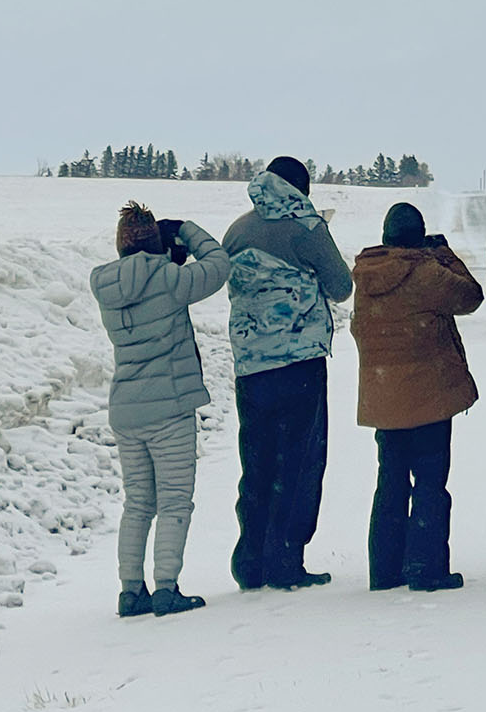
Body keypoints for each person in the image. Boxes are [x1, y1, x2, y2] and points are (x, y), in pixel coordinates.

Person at [90, 202, 232, 618]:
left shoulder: (105, 284)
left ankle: (131, 592)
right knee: (174, 501)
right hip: (168, 407)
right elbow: (219, 264)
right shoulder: (170, 280)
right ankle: (167, 588)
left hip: (126, 408)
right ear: (157, 243)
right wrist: (186, 229)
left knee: (137, 503)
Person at [222, 156, 353, 591]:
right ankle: (285, 558)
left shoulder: (237, 230)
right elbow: (341, 287)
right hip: (299, 362)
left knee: (256, 459)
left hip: (250, 364)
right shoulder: (307, 228)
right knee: (299, 461)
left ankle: (250, 558)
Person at [349, 202, 484, 592]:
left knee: (390, 481)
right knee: (429, 481)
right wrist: (444, 255)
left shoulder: (367, 275)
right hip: (428, 396)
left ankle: (385, 570)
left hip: (384, 398)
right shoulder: (426, 272)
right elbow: (471, 297)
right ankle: (426, 568)